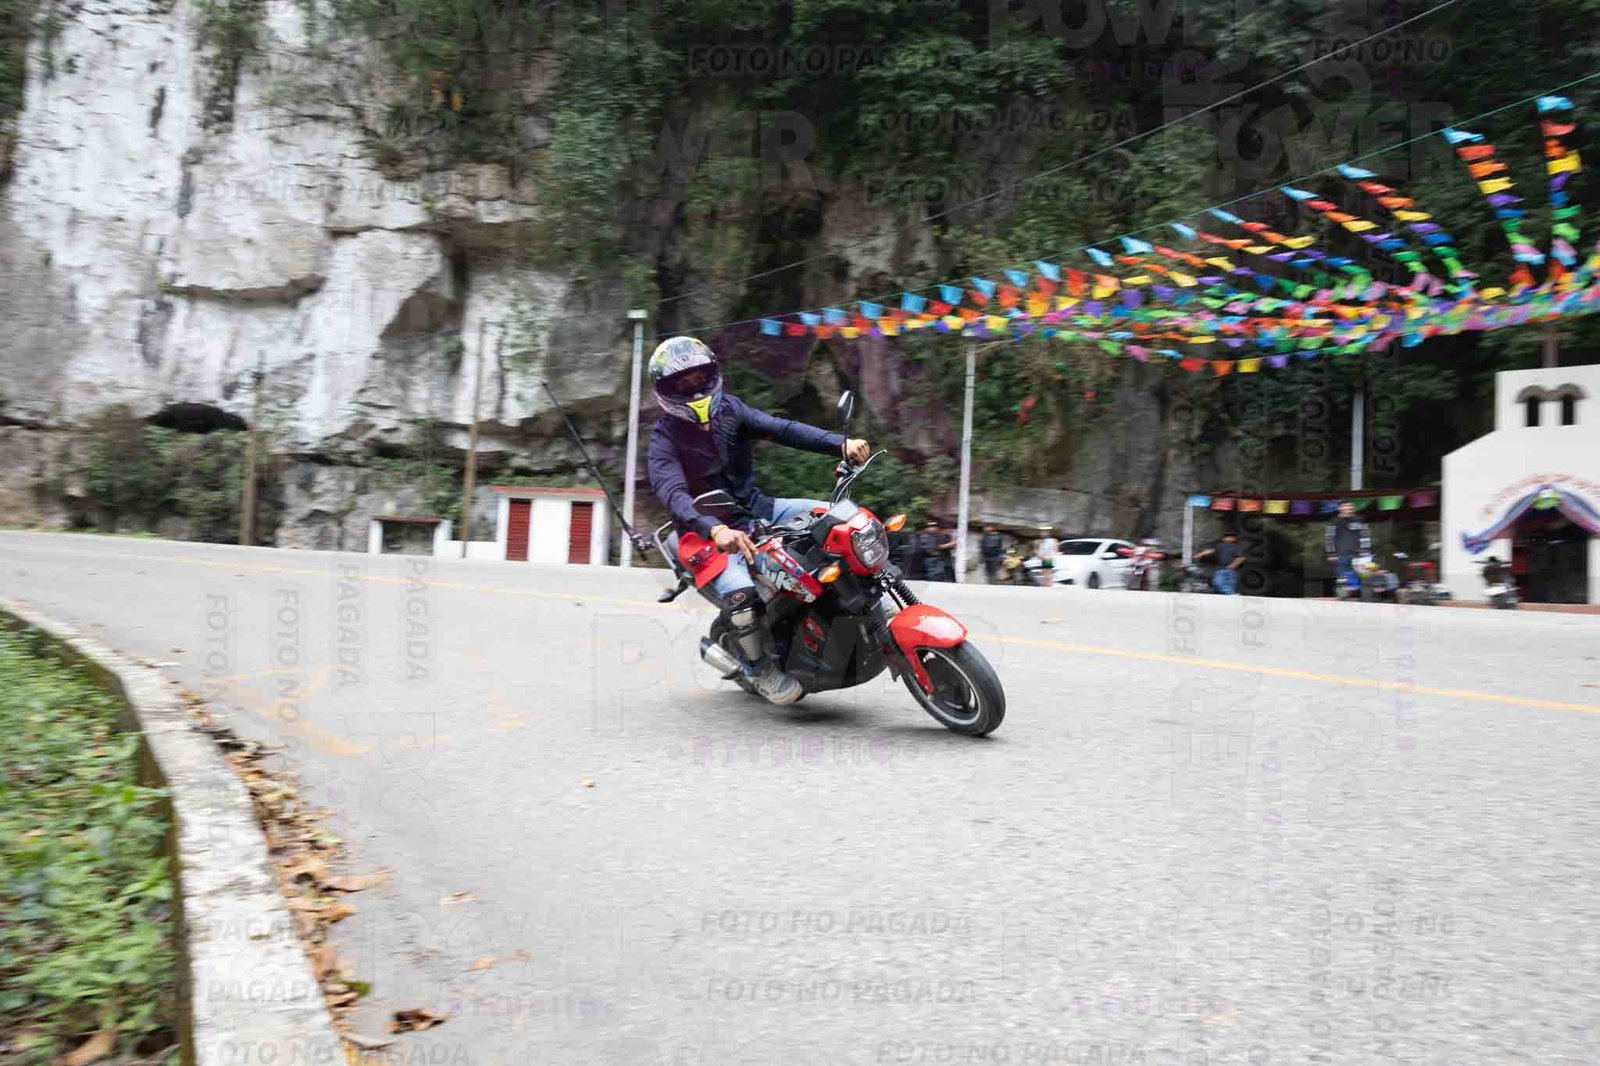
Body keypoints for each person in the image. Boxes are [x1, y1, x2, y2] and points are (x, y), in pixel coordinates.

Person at [646, 337, 869, 705]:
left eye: (699, 377)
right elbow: (673, 493)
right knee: (742, 596)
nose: (695, 389)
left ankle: (870, 599)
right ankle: (757, 669)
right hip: (705, 536)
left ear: (712, 375)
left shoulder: (730, 411)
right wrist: (714, 528)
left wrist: (838, 444)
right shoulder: (663, 440)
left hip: (758, 509)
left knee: (845, 521)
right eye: (682, 383)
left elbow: (783, 429)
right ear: (666, 390)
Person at [1324, 500, 1372, 600]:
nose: (1348, 508)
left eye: (1350, 506)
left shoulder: (1360, 519)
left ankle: (1365, 599)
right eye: (1345, 506)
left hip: (1359, 555)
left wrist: (1365, 551)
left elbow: (1366, 535)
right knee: (1342, 578)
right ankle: (1343, 599)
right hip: (1341, 554)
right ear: (1339, 508)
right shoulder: (1334, 521)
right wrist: (1331, 553)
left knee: (1363, 577)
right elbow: (1329, 538)